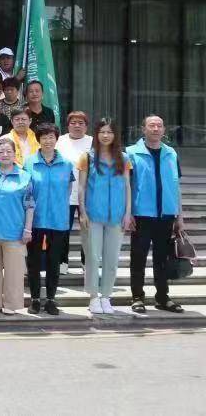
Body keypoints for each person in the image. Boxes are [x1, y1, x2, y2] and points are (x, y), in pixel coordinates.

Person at [126, 115, 184, 314]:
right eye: (152, 125)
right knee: (138, 257)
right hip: (142, 214)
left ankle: (162, 297)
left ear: (164, 130)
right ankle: (137, 297)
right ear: (143, 129)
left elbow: (176, 186)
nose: (156, 129)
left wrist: (179, 215)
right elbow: (127, 186)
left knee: (162, 259)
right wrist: (129, 213)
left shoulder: (171, 153)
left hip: (166, 215)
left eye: (160, 125)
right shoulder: (132, 153)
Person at [77, 118, 131, 315]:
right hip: (93, 216)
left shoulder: (124, 159)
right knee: (92, 256)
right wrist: (82, 212)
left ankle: (106, 296)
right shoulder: (87, 158)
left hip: (116, 217)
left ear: (115, 135)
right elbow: (81, 187)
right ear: (96, 135)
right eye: (102, 132)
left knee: (111, 259)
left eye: (109, 132)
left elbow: (127, 186)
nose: (106, 135)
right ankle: (93, 297)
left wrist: (128, 213)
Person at [0, 137, 35, 315]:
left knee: (14, 272)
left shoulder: (24, 176)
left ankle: (11, 304)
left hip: (15, 231)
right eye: (1, 151)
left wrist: (28, 229)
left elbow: (30, 205)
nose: (4, 155)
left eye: (8, 151)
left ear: (14, 154)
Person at [23, 123, 72, 315]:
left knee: (53, 261)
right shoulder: (29, 162)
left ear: (56, 139)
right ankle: (35, 299)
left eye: (51, 137)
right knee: (34, 261)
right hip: (35, 219)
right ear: (39, 140)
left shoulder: (66, 164)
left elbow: (68, 189)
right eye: (44, 137)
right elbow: (27, 192)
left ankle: (51, 299)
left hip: (58, 220)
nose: (48, 140)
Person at [55, 110, 93, 275]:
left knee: (89, 230)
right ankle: (62, 261)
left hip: (88, 194)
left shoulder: (92, 142)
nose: (77, 126)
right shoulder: (60, 141)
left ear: (86, 126)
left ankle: (87, 263)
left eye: (81, 123)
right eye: (73, 123)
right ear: (67, 125)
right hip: (65, 194)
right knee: (63, 230)